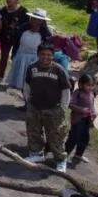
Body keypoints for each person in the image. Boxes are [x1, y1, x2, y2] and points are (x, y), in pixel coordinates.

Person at [23, 42, 71, 172]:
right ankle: (36, 154)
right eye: (42, 54)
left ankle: (60, 160)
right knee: (33, 132)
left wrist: (63, 107)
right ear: (38, 55)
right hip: (34, 107)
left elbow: (65, 91)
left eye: (49, 55)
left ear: (53, 55)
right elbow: (27, 85)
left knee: (56, 136)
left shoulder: (59, 70)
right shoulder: (31, 68)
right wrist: (28, 101)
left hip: (53, 109)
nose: (45, 57)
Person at [6, 8, 52, 95]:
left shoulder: (45, 33)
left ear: (42, 22)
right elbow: (16, 42)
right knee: (21, 77)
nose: (35, 21)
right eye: (33, 19)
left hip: (35, 59)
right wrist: (14, 53)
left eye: (38, 20)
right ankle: (22, 95)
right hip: (21, 57)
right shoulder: (23, 28)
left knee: (32, 79)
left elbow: (48, 47)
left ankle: (29, 98)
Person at [0, 0, 29, 83]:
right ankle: (1, 76)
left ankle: (14, 79)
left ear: (16, 0)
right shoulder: (3, 10)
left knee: (15, 58)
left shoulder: (23, 11)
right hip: (5, 37)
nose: (8, 0)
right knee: (4, 57)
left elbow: (27, 26)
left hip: (18, 39)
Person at [65, 73, 96, 164]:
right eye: (88, 85)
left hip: (87, 120)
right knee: (73, 138)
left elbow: (92, 105)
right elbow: (70, 104)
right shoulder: (77, 93)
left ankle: (79, 154)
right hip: (77, 120)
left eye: (92, 85)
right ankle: (64, 155)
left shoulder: (92, 94)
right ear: (82, 84)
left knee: (85, 138)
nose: (90, 88)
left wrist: (94, 113)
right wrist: (82, 110)